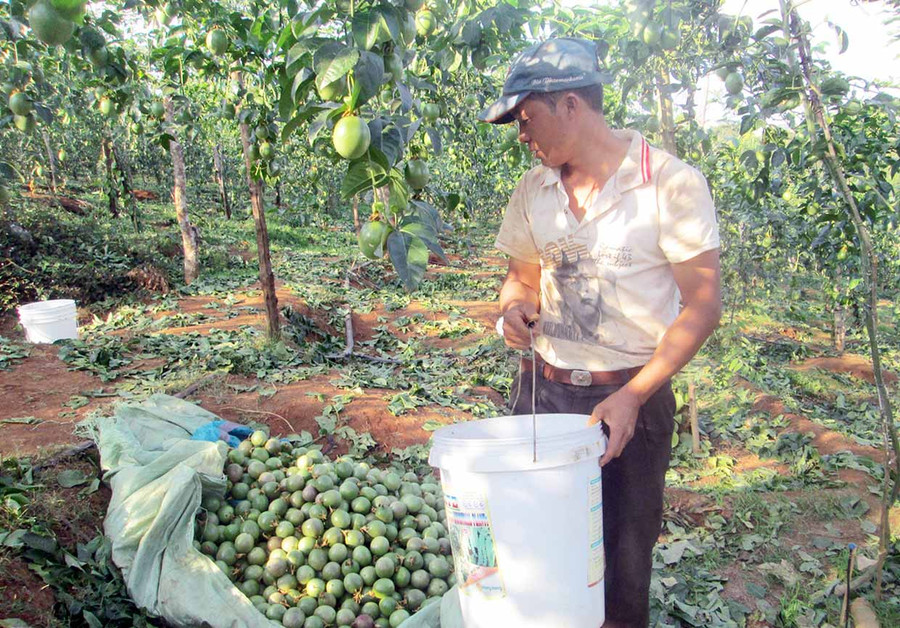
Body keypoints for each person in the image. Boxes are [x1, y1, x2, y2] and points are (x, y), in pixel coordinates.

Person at [479, 38, 722, 628]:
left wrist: (635, 394)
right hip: (544, 392)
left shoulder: (669, 185)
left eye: (525, 118)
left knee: (621, 563)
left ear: (569, 105)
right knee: (539, 548)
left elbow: (703, 305)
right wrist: (514, 310)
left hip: (630, 397)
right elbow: (521, 279)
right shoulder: (533, 189)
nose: (521, 135)